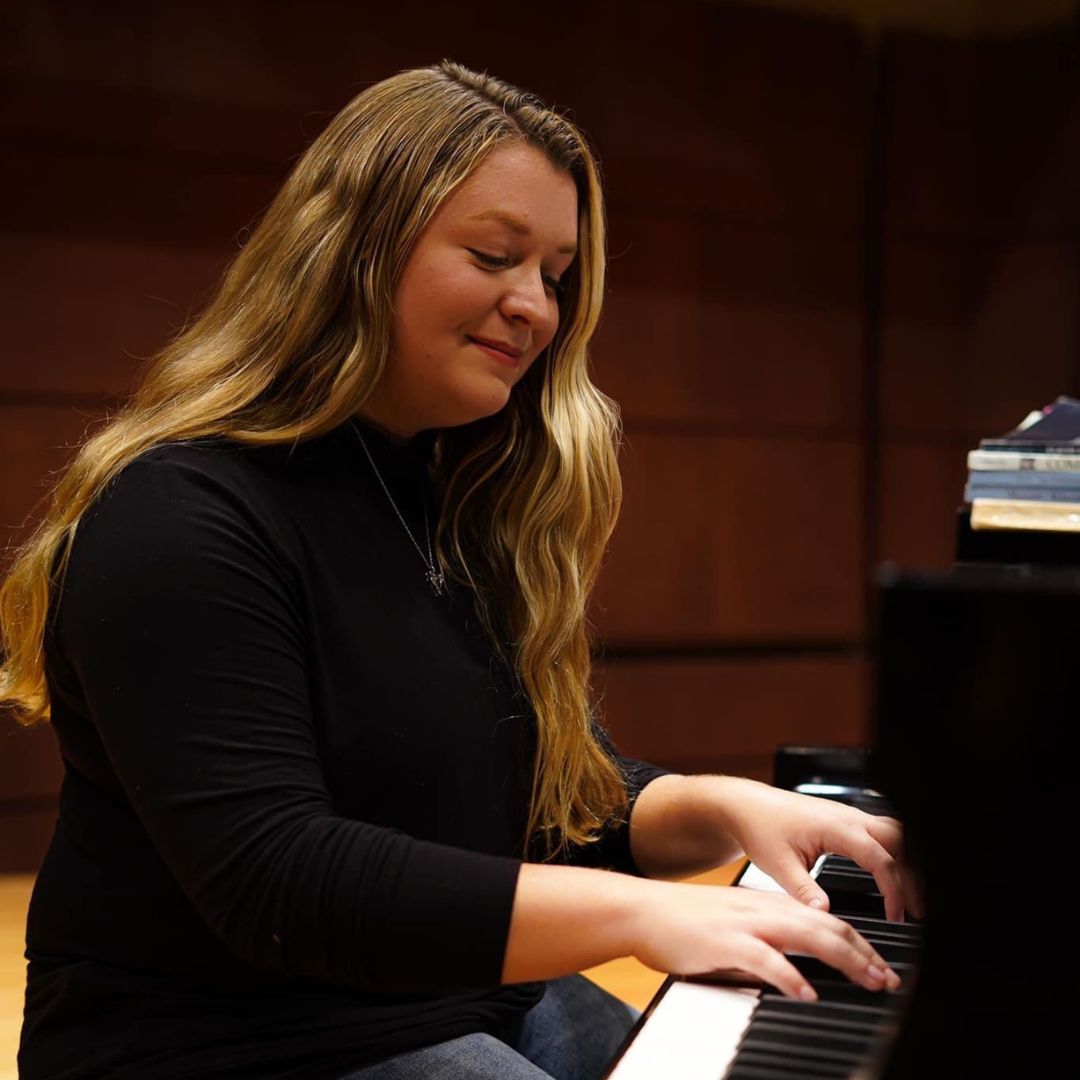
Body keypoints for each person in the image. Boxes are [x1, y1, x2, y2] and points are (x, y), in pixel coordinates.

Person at [1, 61, 915, 1080]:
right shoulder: (177, 515)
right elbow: (279, 883)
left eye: (556, 275)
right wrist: (645, 911)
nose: (534, 306)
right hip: (226, 1047)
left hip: (447, 1004)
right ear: (351, 251)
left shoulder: (455, 500)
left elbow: (531, 804)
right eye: (493, 255)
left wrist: (720, 807)